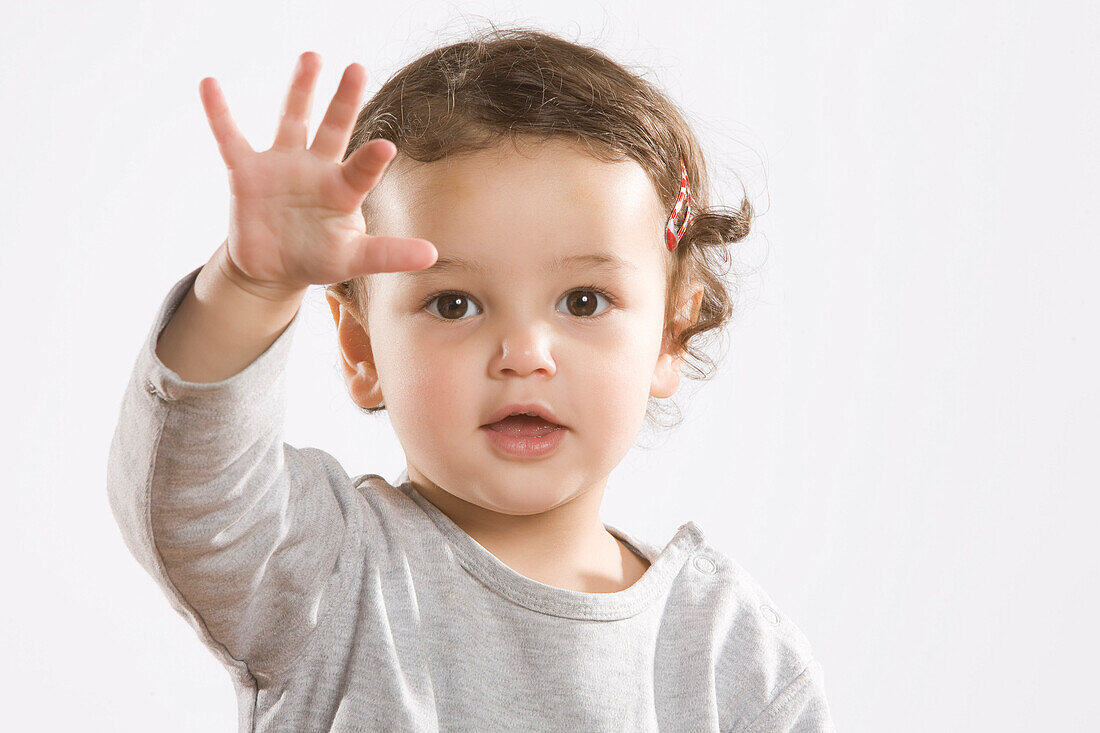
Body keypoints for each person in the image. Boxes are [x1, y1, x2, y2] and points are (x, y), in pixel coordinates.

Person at [107, 28, 834, 732]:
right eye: (453, 304)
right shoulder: (325, 575)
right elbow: (197, 502)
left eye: (583, 301)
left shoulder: (734, 659)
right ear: (361, 347)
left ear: (670, 335)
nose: (524, 353)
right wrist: (248, 289)